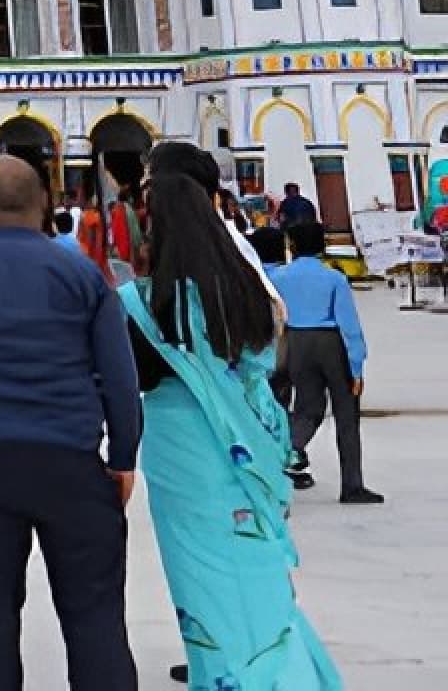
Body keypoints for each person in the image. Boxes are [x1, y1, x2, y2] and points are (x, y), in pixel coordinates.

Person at [120, 144, 342, 688]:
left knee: (204, 590)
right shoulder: (245, 281)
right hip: (250, 447)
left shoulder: (142, 302)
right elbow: (270, 353)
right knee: (259, 577)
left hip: (181, 455)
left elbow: (134, 379)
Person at [0, 156, 139, 690]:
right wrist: (123, 456)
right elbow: (118, 375)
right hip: (72, 462)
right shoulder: (81, 272)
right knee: (95, 616)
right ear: (44, 202)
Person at [275, 221, 380, 504]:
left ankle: (284, 453)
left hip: (296, 342)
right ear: (322, 246)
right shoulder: (333, 278)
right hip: (331, 343)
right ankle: (352, 486)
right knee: (346, 415)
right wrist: (356, 367)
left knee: (308, 409)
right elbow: (349, 325)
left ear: (292, 246)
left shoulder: (280, 278)